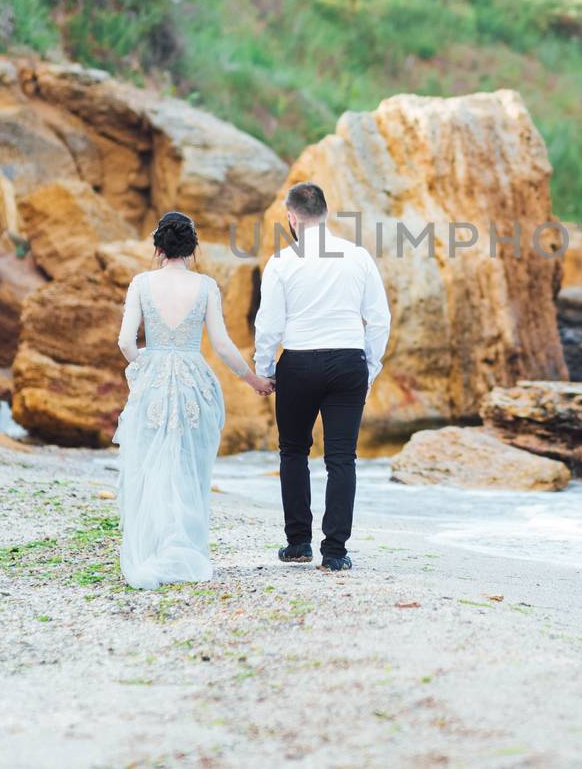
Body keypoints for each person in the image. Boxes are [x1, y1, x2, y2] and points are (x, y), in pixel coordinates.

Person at [114, 211, 274, 589]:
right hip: (192, 380)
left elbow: (124, 341)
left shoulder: (141, 283)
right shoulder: (205, 287)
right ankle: (182, 547)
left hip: (154, 377)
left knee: (152, 463)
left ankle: (153, 548)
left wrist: (145, 365)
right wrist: (252, 379)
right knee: (187, 464)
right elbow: (221, 344)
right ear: (192, 248)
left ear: (157, 247)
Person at [253, 182, 391, 573]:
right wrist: (370, 365)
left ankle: (298, 543)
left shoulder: (281, 262)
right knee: (342, 458)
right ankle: (334, 551)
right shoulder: (358, 256)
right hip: (348, 361)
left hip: (298, 362)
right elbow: (379, 318)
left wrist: (265, 369)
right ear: (326, 213)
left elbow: (269, 325)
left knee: (293, 451)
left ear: (292, 218)